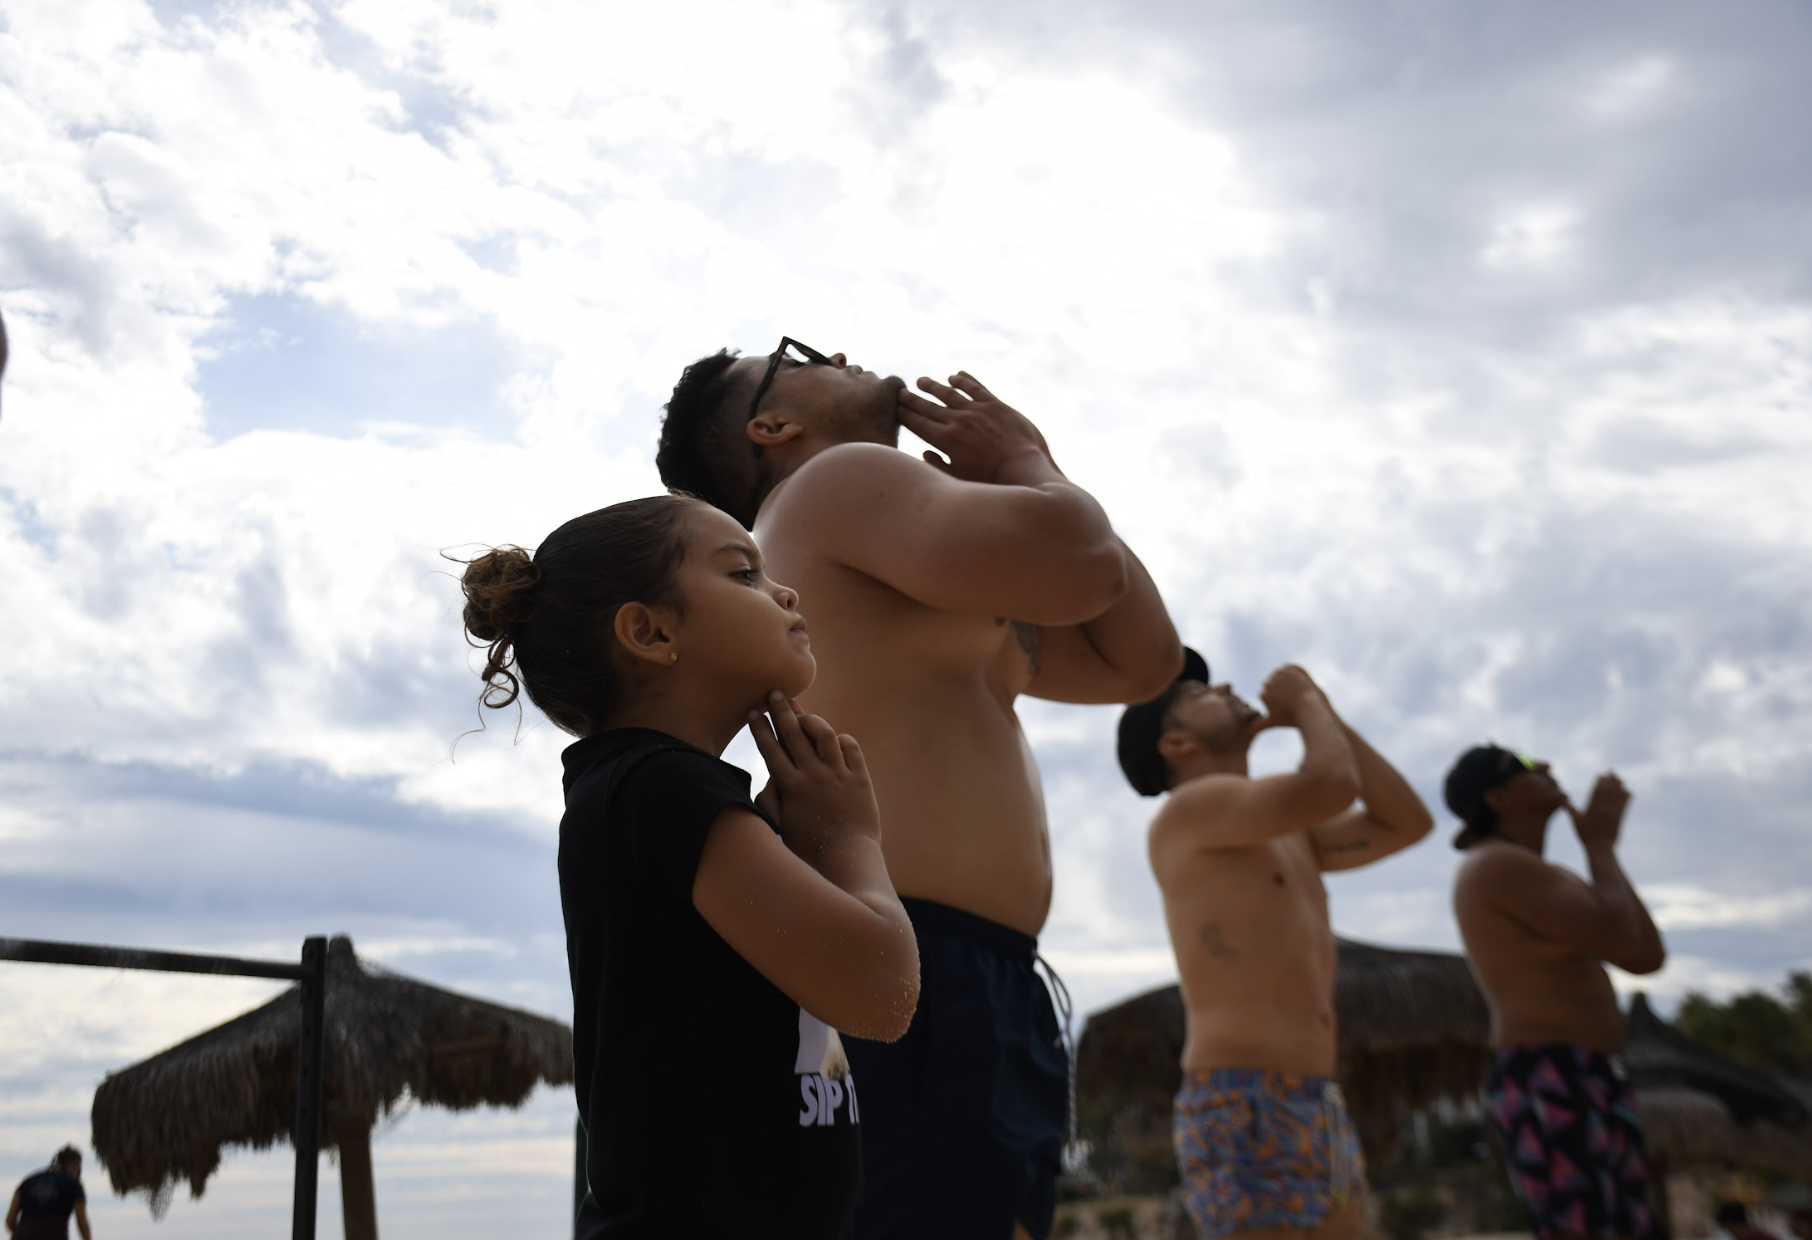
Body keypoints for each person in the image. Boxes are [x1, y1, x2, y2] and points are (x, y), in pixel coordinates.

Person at [657, 342, 1181, 1240]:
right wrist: (1026, 461)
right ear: (772, 425)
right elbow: (1088, 569)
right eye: (805, 354)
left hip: (966, 969)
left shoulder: (893, 556)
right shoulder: (833, 480)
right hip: (918, 964)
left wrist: (1027, 481)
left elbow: (1144, 661)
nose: (843, 353)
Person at [458, 494, 920, 1239]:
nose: (785, 592)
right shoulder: (659, 789)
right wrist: (848, 839)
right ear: (651, 632)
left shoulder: (657, 793)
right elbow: (881, 992)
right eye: (743, 574)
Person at [1122, 655, 1432, 1240]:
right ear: (1179, 743)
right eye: (1198, 691)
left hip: (1317, 1096)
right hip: (1243, 1094)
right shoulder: (1190, 810)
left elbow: (1407, 822)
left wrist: (1323, 709)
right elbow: (1332, 784)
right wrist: (1307, 702)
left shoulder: (1289, 830)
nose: (1224, 685)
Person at [1447, 744, 1667, 1240]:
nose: (1544, 765)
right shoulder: (1495, 865)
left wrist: (1600, 851)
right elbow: (1621, 939)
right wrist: (1601, 848)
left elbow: (1645, 956)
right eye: (1524, 764)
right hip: (1548, 1071)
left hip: (1588, 1070)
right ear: (1498, 798)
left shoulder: (1545, 875)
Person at [6, 1146, 92, 1240]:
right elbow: (81, 1222)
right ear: (75, 1165)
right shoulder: (74, 1184)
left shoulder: (27, 1182)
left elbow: (10, 1220)